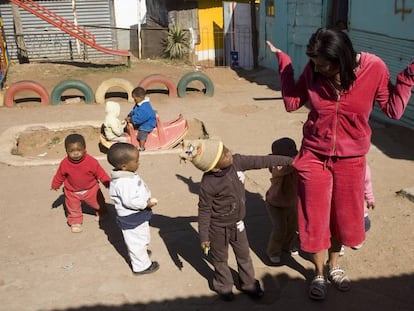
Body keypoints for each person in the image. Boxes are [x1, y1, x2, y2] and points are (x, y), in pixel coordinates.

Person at [266, 28, 414, 300]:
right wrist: (284, 62)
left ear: (343, 59)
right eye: (315, 63)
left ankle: (335, 266)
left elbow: (393, 108)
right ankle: (319, 273)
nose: (317, 69)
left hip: (351, 159)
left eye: (324, 65)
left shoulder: (374, 68)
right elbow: (291, 102)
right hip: (314, 156)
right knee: (315, 219)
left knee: (342, 220)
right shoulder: (313, 71)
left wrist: (409, 75)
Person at [179, 138, 294, 301]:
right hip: (217, 229)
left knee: (244, 256)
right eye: (225, 154)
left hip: (238, 225)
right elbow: (204, 210)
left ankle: (248, 284)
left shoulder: (238, 161)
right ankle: (223, 286)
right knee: (220, 259)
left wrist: (289, 161)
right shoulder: (208, 184)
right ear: (215, 166)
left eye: (226, 149)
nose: (229, 152)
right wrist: (204, 236)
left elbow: (262, 160)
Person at [106, 142, 159, 275]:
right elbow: (130, 201)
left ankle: (140, 254)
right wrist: (146, 204)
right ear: (124, 166)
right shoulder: (123, 183)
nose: (138, 163)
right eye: (136, 161)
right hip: (132, 217)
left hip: (137, 216)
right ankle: (141, 266)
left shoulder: (126, 175)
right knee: (136, 240)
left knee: (141, 237)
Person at [51, 133, 110, 233]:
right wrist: (55, 184)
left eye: (79, 150)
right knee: (73, 208)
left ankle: (102, 213)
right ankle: (75, 222)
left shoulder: (91, 161)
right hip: (72, 191)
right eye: (71, 151)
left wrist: (107, 182)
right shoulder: (65, 163)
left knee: (98, 203)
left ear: (84, 149)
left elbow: (100, 173)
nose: (76, 153)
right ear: (66, 151)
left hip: (91, 189)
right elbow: (60, 175)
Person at [265, 137, 299, 264]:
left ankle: (287, 246)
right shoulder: (276, 166)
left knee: (292, 227)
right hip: (275, 203)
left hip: (292, 202)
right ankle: (273, 251)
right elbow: (284, 169)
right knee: (279, 229)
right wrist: (298, 160)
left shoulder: (295, 163)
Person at [341, 162, 375, 255]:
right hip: (342, 206)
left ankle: (356, 238)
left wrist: (370, 198)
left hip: (359, 206)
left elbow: (367, 185)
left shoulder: (364, 167)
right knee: (341, 225)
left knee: (365, 224)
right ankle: (339, 244)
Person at [126, 86, 156, 151]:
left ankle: (142, 147)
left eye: (135, 99)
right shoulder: (139, 104)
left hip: (148, 123)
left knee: (142, 133)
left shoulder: (145, 107)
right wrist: (130, 114)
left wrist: (131, 119)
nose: (134, 100)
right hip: (142, 120)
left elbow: (140, 118)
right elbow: (134, 110)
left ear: (141, 97)